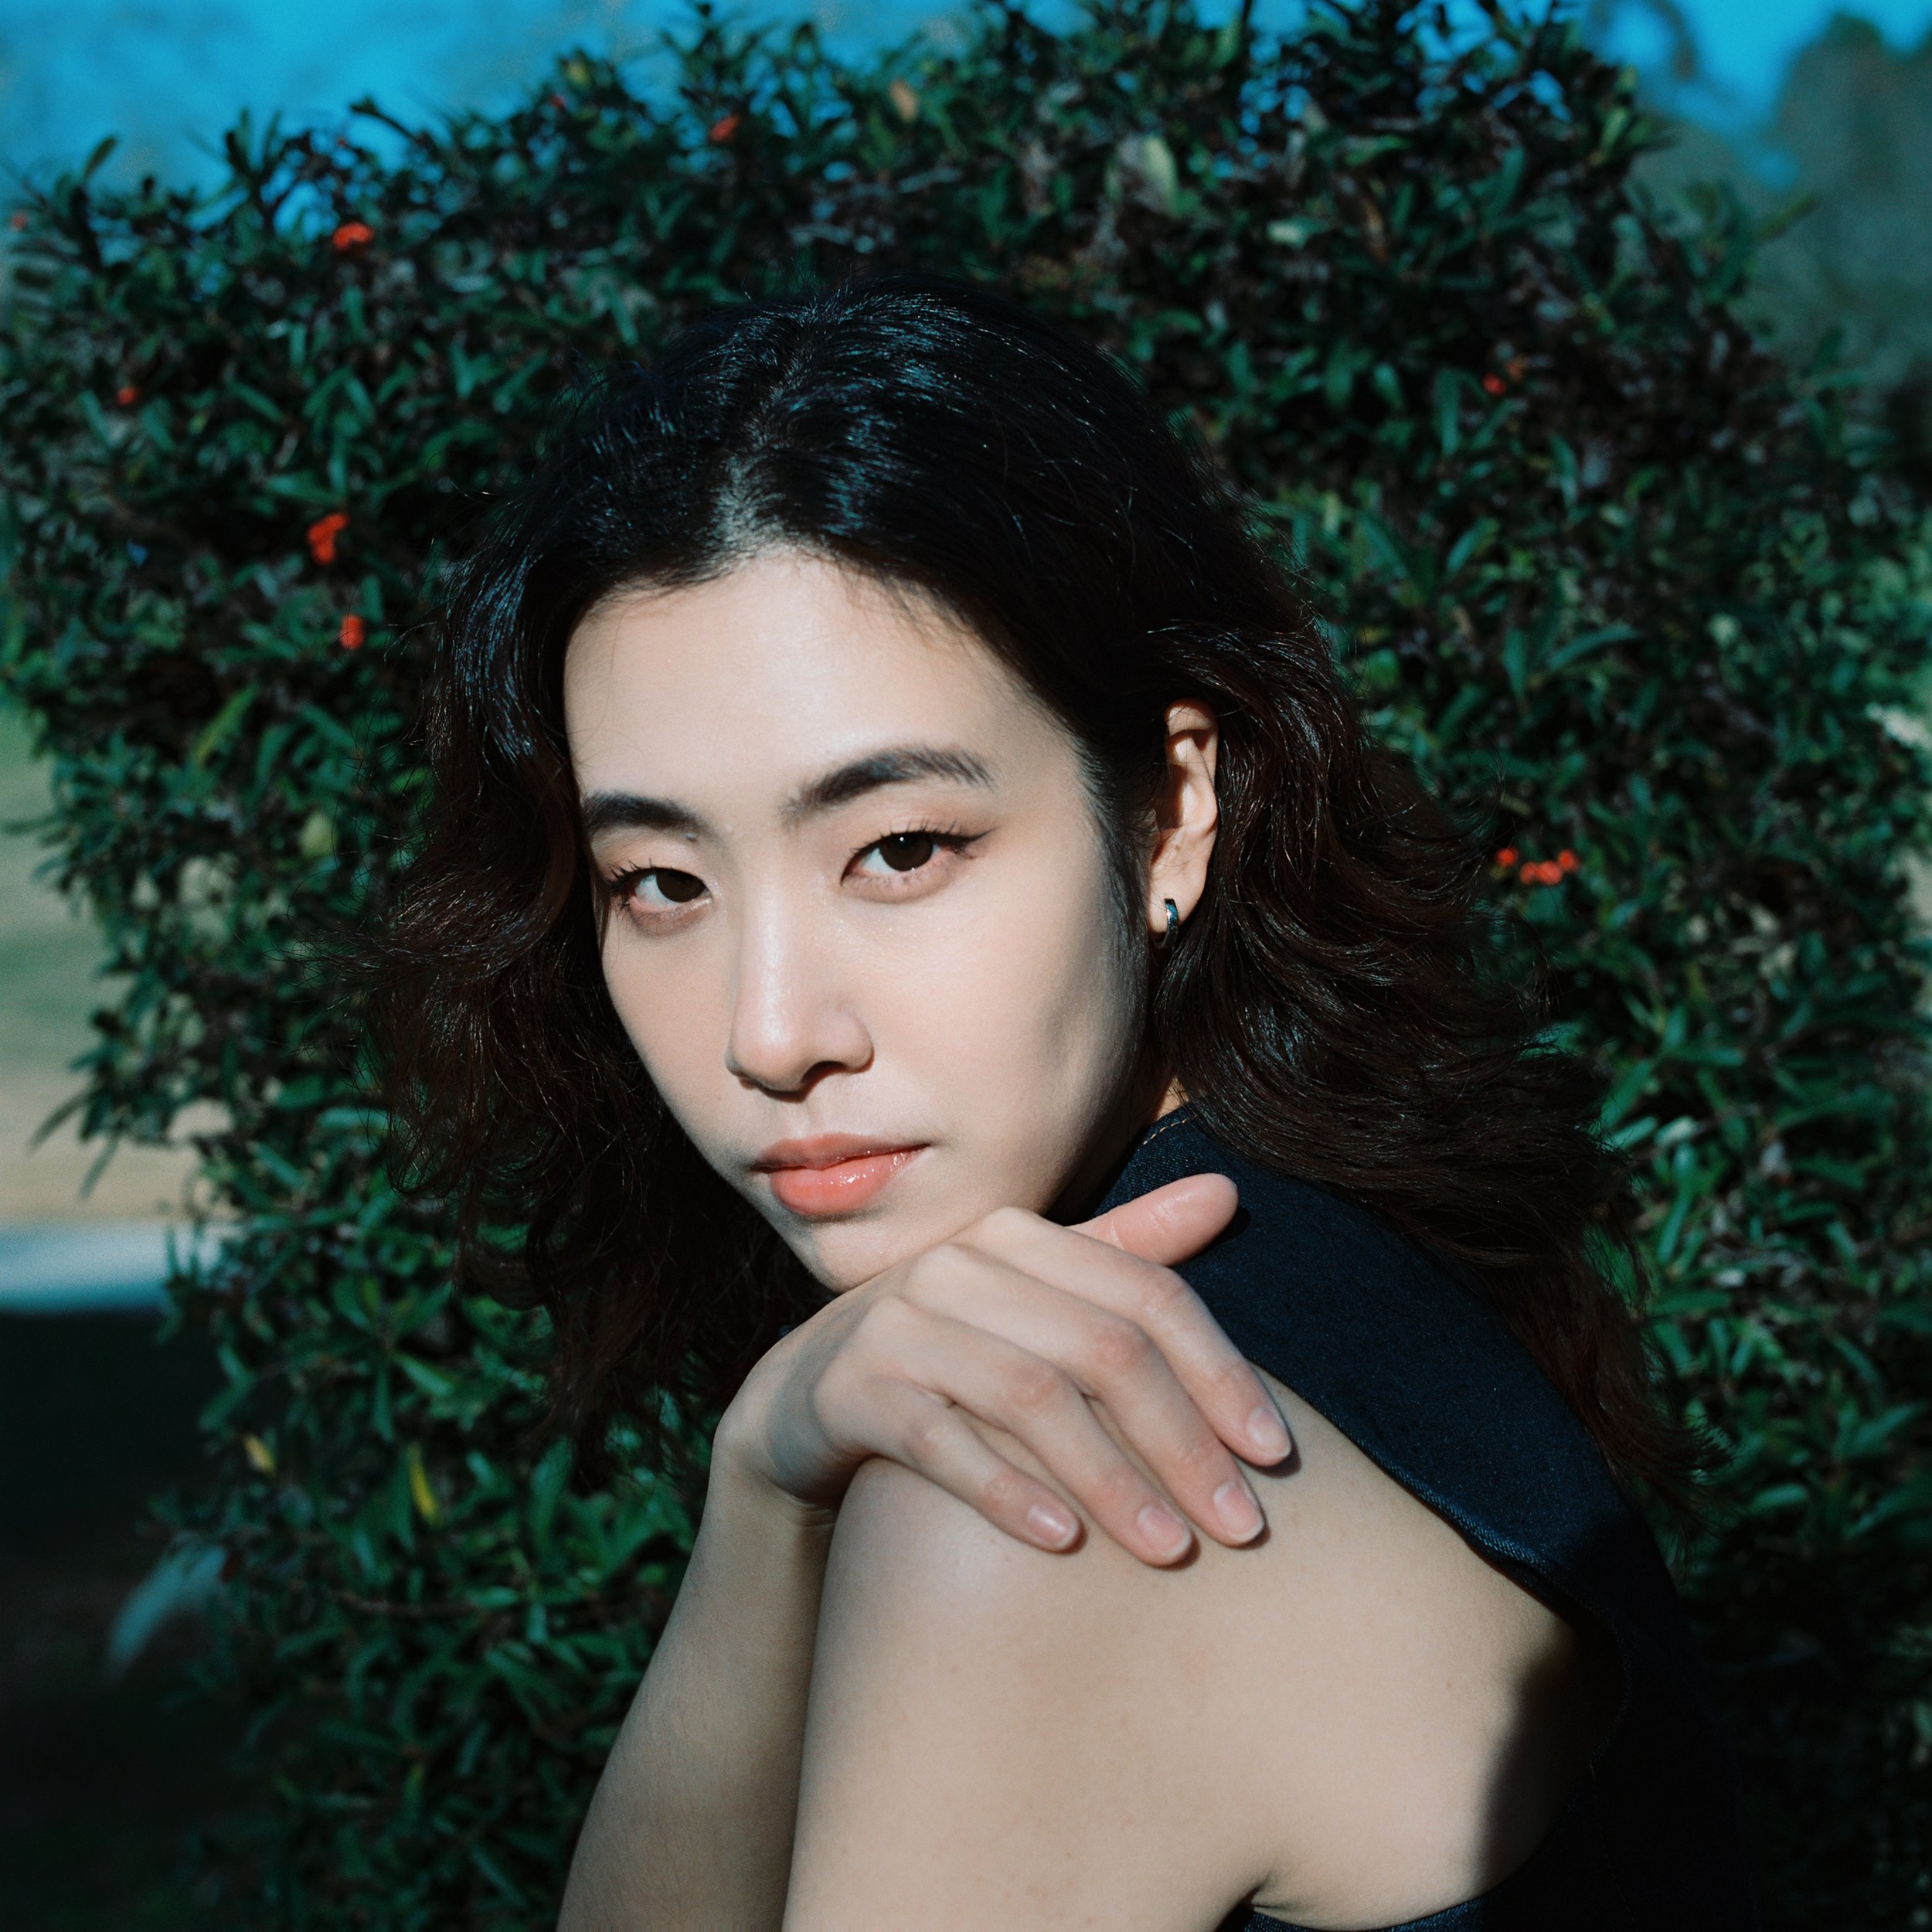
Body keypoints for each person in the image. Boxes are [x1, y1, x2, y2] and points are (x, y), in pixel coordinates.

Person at [384, 274, 1757, 1929]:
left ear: (1176, 804)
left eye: (898, 848)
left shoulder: (1049, 1508)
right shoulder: (1333, 1251)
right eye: (661, 879)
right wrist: (761, 1488)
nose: (766, 1033)